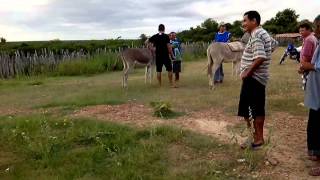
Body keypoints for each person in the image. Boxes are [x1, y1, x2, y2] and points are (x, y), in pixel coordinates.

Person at [238, 11, 272, 149]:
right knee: (255, 109)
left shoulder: (257, 35)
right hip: (257, 78)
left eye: (245, 20)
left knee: (251, 110)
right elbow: (272, 45)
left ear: (254, 21)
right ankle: (256, 137)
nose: (243, 23)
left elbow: (260, 57)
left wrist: (247, 72)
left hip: (254, 78)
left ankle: (256, 138)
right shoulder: (262, 33)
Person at [299, 15, 320, 176]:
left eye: (317, 26)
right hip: (316, 89)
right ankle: (315, 151)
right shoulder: (316, 41)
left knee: (316, 122)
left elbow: (310, 63)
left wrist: (305, 66)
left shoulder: (310, 40)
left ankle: (316, 153)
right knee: (314, 121)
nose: (316, 29)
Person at [299, 22, 318, 90]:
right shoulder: (312, 38)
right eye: (300, 30)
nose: (301, 32)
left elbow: (306, 57)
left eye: (303, 30)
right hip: (311, 66)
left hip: (308, 67)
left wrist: (302, 67)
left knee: (308, 88)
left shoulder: (308, 40)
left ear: (308, 30)